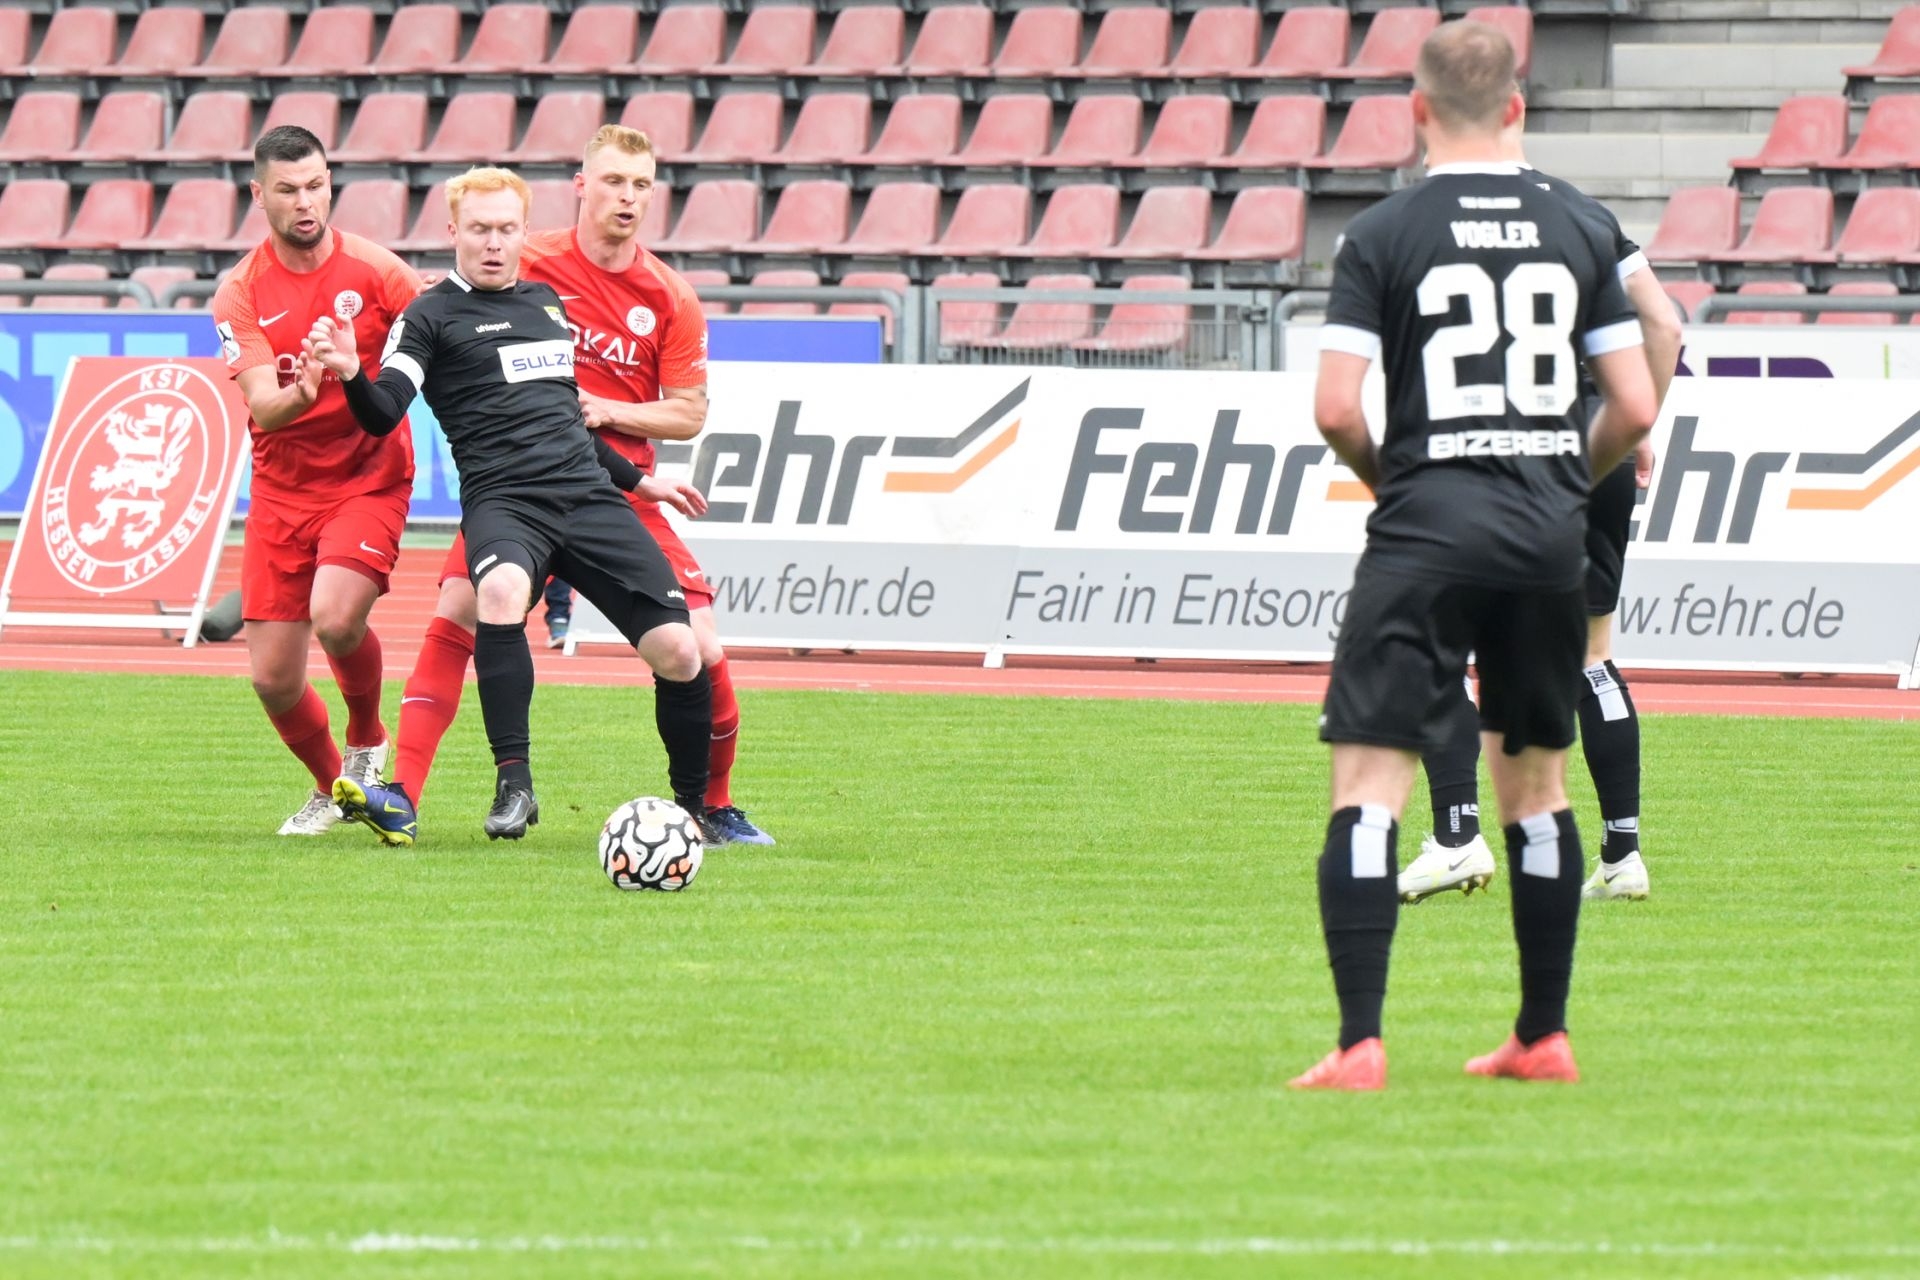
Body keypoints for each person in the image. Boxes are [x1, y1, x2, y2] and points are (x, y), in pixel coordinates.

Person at [1289, 20, 1658, 1091]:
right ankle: (1541, 1034)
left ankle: (1361, 1042)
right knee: (1536, 789)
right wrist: (1562, 484)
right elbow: (1636, 404)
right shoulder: (1580, 224)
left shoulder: (1383, 232)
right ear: (1516, 109)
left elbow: (1336, 408)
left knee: (1369, 782)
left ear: (1417, 110)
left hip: (1425, 527)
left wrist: (1396, 482)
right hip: (1543, 536)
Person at [375, 124, 775, 847]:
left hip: (611, 485)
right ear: (582, 186)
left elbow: (689, 413)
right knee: (464, 606)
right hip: (512, 482)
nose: (628, 197)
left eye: (642, 184)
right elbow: (451, 301)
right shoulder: (527, 257)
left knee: (698, 648)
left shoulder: (669, 294)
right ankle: (403, 792)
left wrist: (608, 412)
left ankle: (710, 806)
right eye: (614, 181)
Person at [303, 166, 713, 842]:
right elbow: (384, 412)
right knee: (497, 593)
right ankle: (514, 786)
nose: (493, 243)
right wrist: (351, 373)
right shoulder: (428, 316)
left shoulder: (546, 304)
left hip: (586, 495)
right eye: (479, 229)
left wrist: (638, 483)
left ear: (525, 233)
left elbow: (563, 417)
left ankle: (692, 810)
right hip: (505, 501)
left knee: (680, 650)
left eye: (505, 229)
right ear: (453, 232)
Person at [1399, 133, 1682, 906]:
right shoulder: (1584, 213)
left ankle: (1457, 836)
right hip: (1595, 436)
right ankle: (1622, 855)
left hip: (1497, 441)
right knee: (1590, 657)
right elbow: (1664, 325)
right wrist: (1636, 419)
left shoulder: (1439, 215)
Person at [210, 125, 421, 836]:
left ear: (330, 184)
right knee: (273, 679)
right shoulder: (240, 293)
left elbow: (438, 345)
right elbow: (263, 404)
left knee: (335, 617)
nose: (305, 202)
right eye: (288, 190)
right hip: (281, 490)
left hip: (368, 476)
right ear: (258, 194)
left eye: (316, 186)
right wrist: (299, 394)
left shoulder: (381, 273)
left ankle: (367, 740)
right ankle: (336, 789)